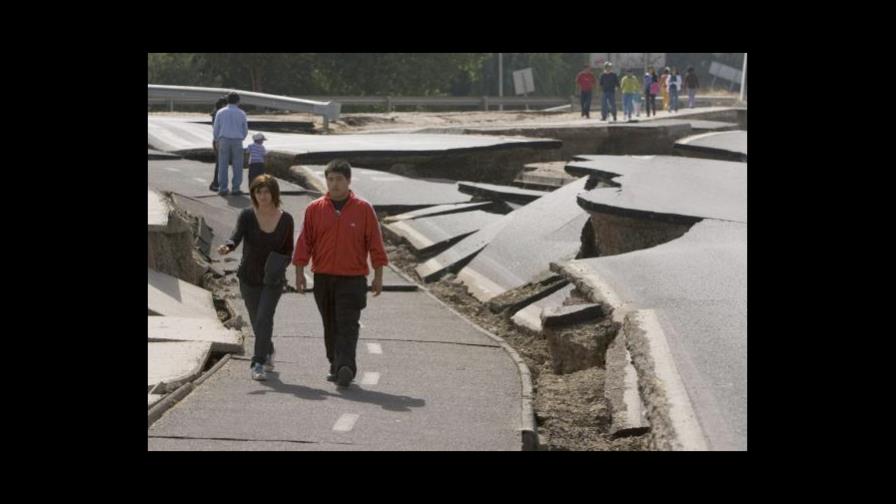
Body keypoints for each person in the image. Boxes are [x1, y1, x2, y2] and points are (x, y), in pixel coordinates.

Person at [292, 159, 388, 388]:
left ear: (348, 181)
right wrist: (299, 272)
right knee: (330, 325)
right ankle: (335, 363)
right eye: (330, 179)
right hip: (323, 278)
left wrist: (378, 276)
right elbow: (305, 242)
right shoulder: (315, 209)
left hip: (353, 279)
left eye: (339, 180)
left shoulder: (363, 209)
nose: (334, 184)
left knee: (347, 323)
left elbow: (375, 243)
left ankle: (347, 366)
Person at [217, 175, 295, 381]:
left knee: (264, 318)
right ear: (254, 194)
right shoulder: (247, 216)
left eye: (266, 191)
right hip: (248, 277)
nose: (263, 196)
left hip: (273, 280)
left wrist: (282, 266)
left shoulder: (286, 219)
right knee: (256, 320)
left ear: (274, 193)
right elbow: (236, 236)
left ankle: (258, 362)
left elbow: (289, 250)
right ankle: (267, 348)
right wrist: (228, 246)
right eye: (258, 192)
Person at [213, 92, 248, 196]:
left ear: (227, 100)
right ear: (238, 101)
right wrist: (242, 137)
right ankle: (236, 188)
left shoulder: (220, 112)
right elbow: (245, 129)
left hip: (223, 139)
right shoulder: (241, 113)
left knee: (223, 165)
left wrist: (216, 140)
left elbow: (216, 128)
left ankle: (223, 188)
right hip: (237, 140)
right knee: (237, 165)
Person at [209, 97, 228, 192]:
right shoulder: (219, 114)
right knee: (220, 163)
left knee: (220, 163)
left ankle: (216, 183)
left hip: (217, 140)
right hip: (220, 140)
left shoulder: (216, 113)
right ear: (222, 105)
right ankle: (216, 183)